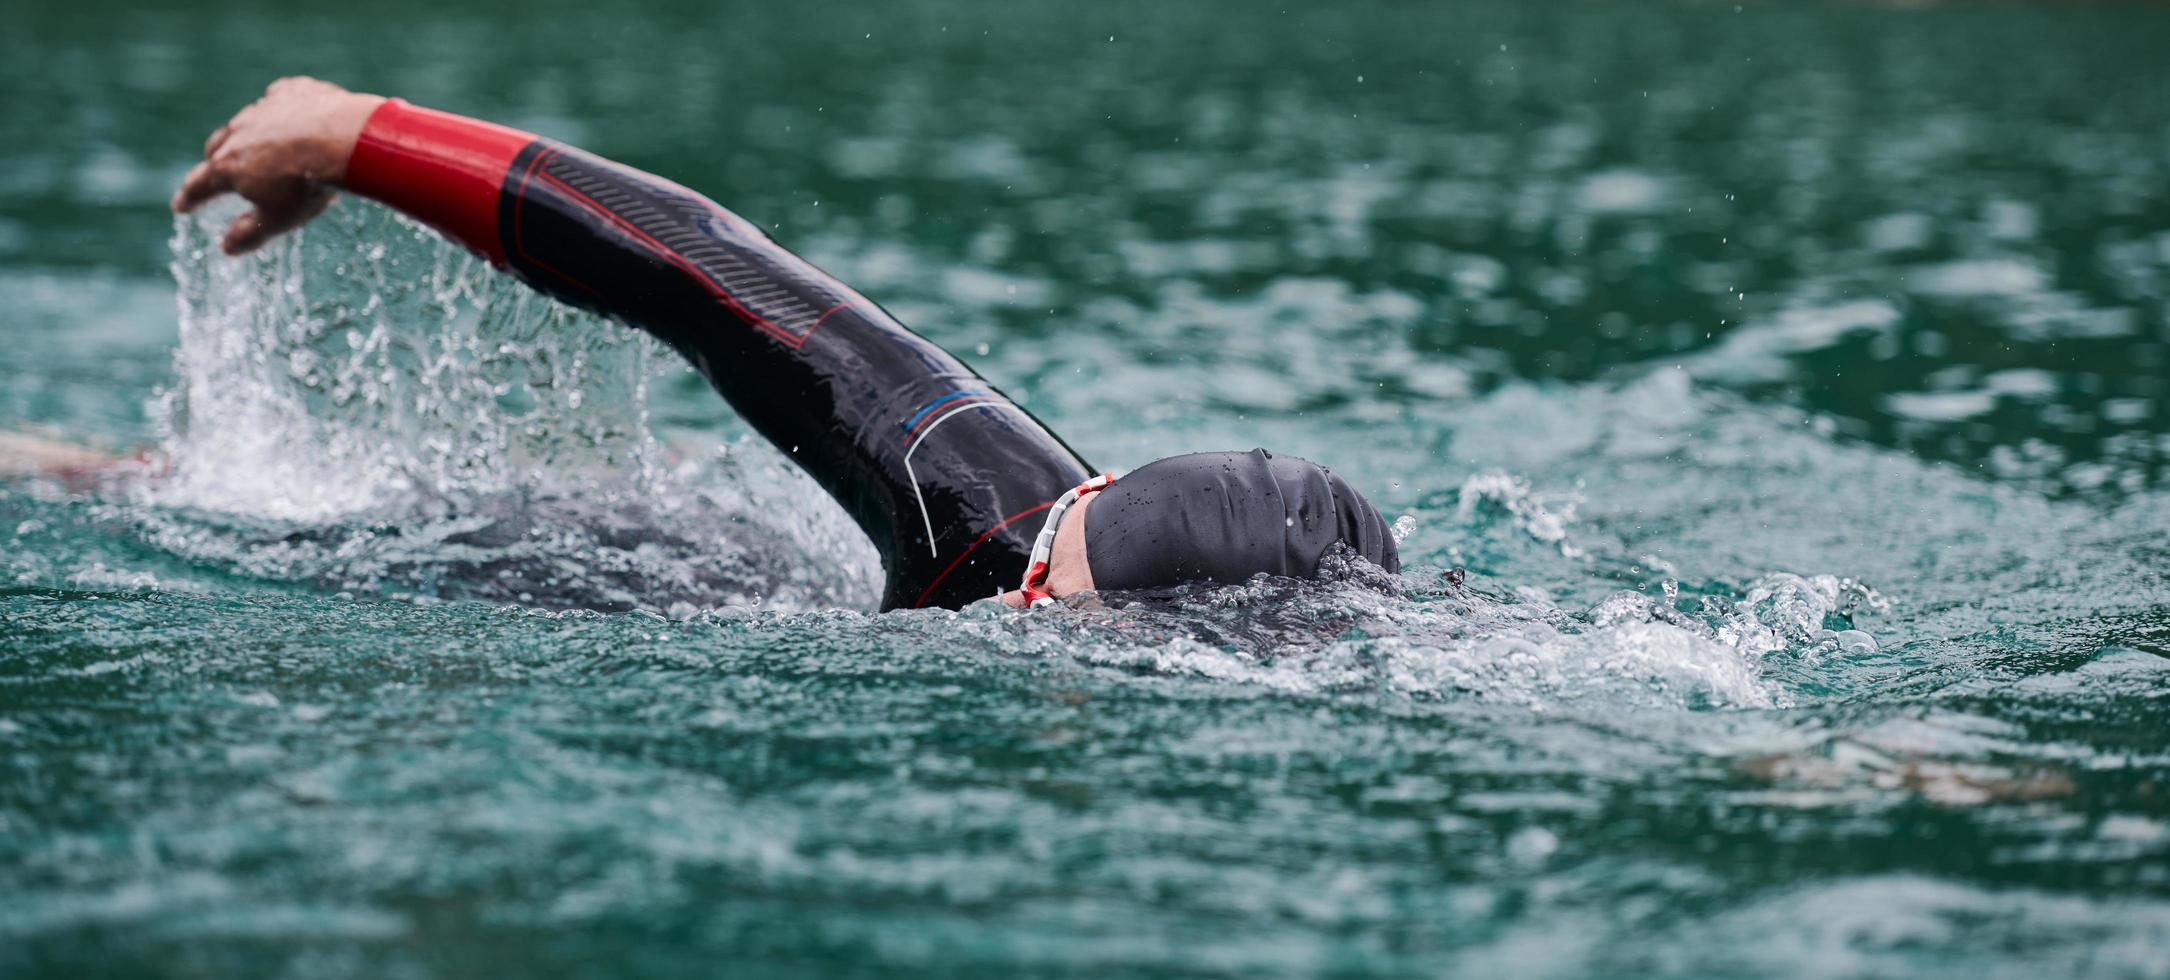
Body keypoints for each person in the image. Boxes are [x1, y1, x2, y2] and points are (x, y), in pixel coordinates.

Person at [167, 77, 1400, 611]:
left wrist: (361, 132)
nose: (1027, 570)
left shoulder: (1012, 545)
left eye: (1047, 565)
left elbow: (706, 267)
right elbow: (708, 270)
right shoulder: (996, 529)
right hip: (644, 564)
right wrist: (362, 134)